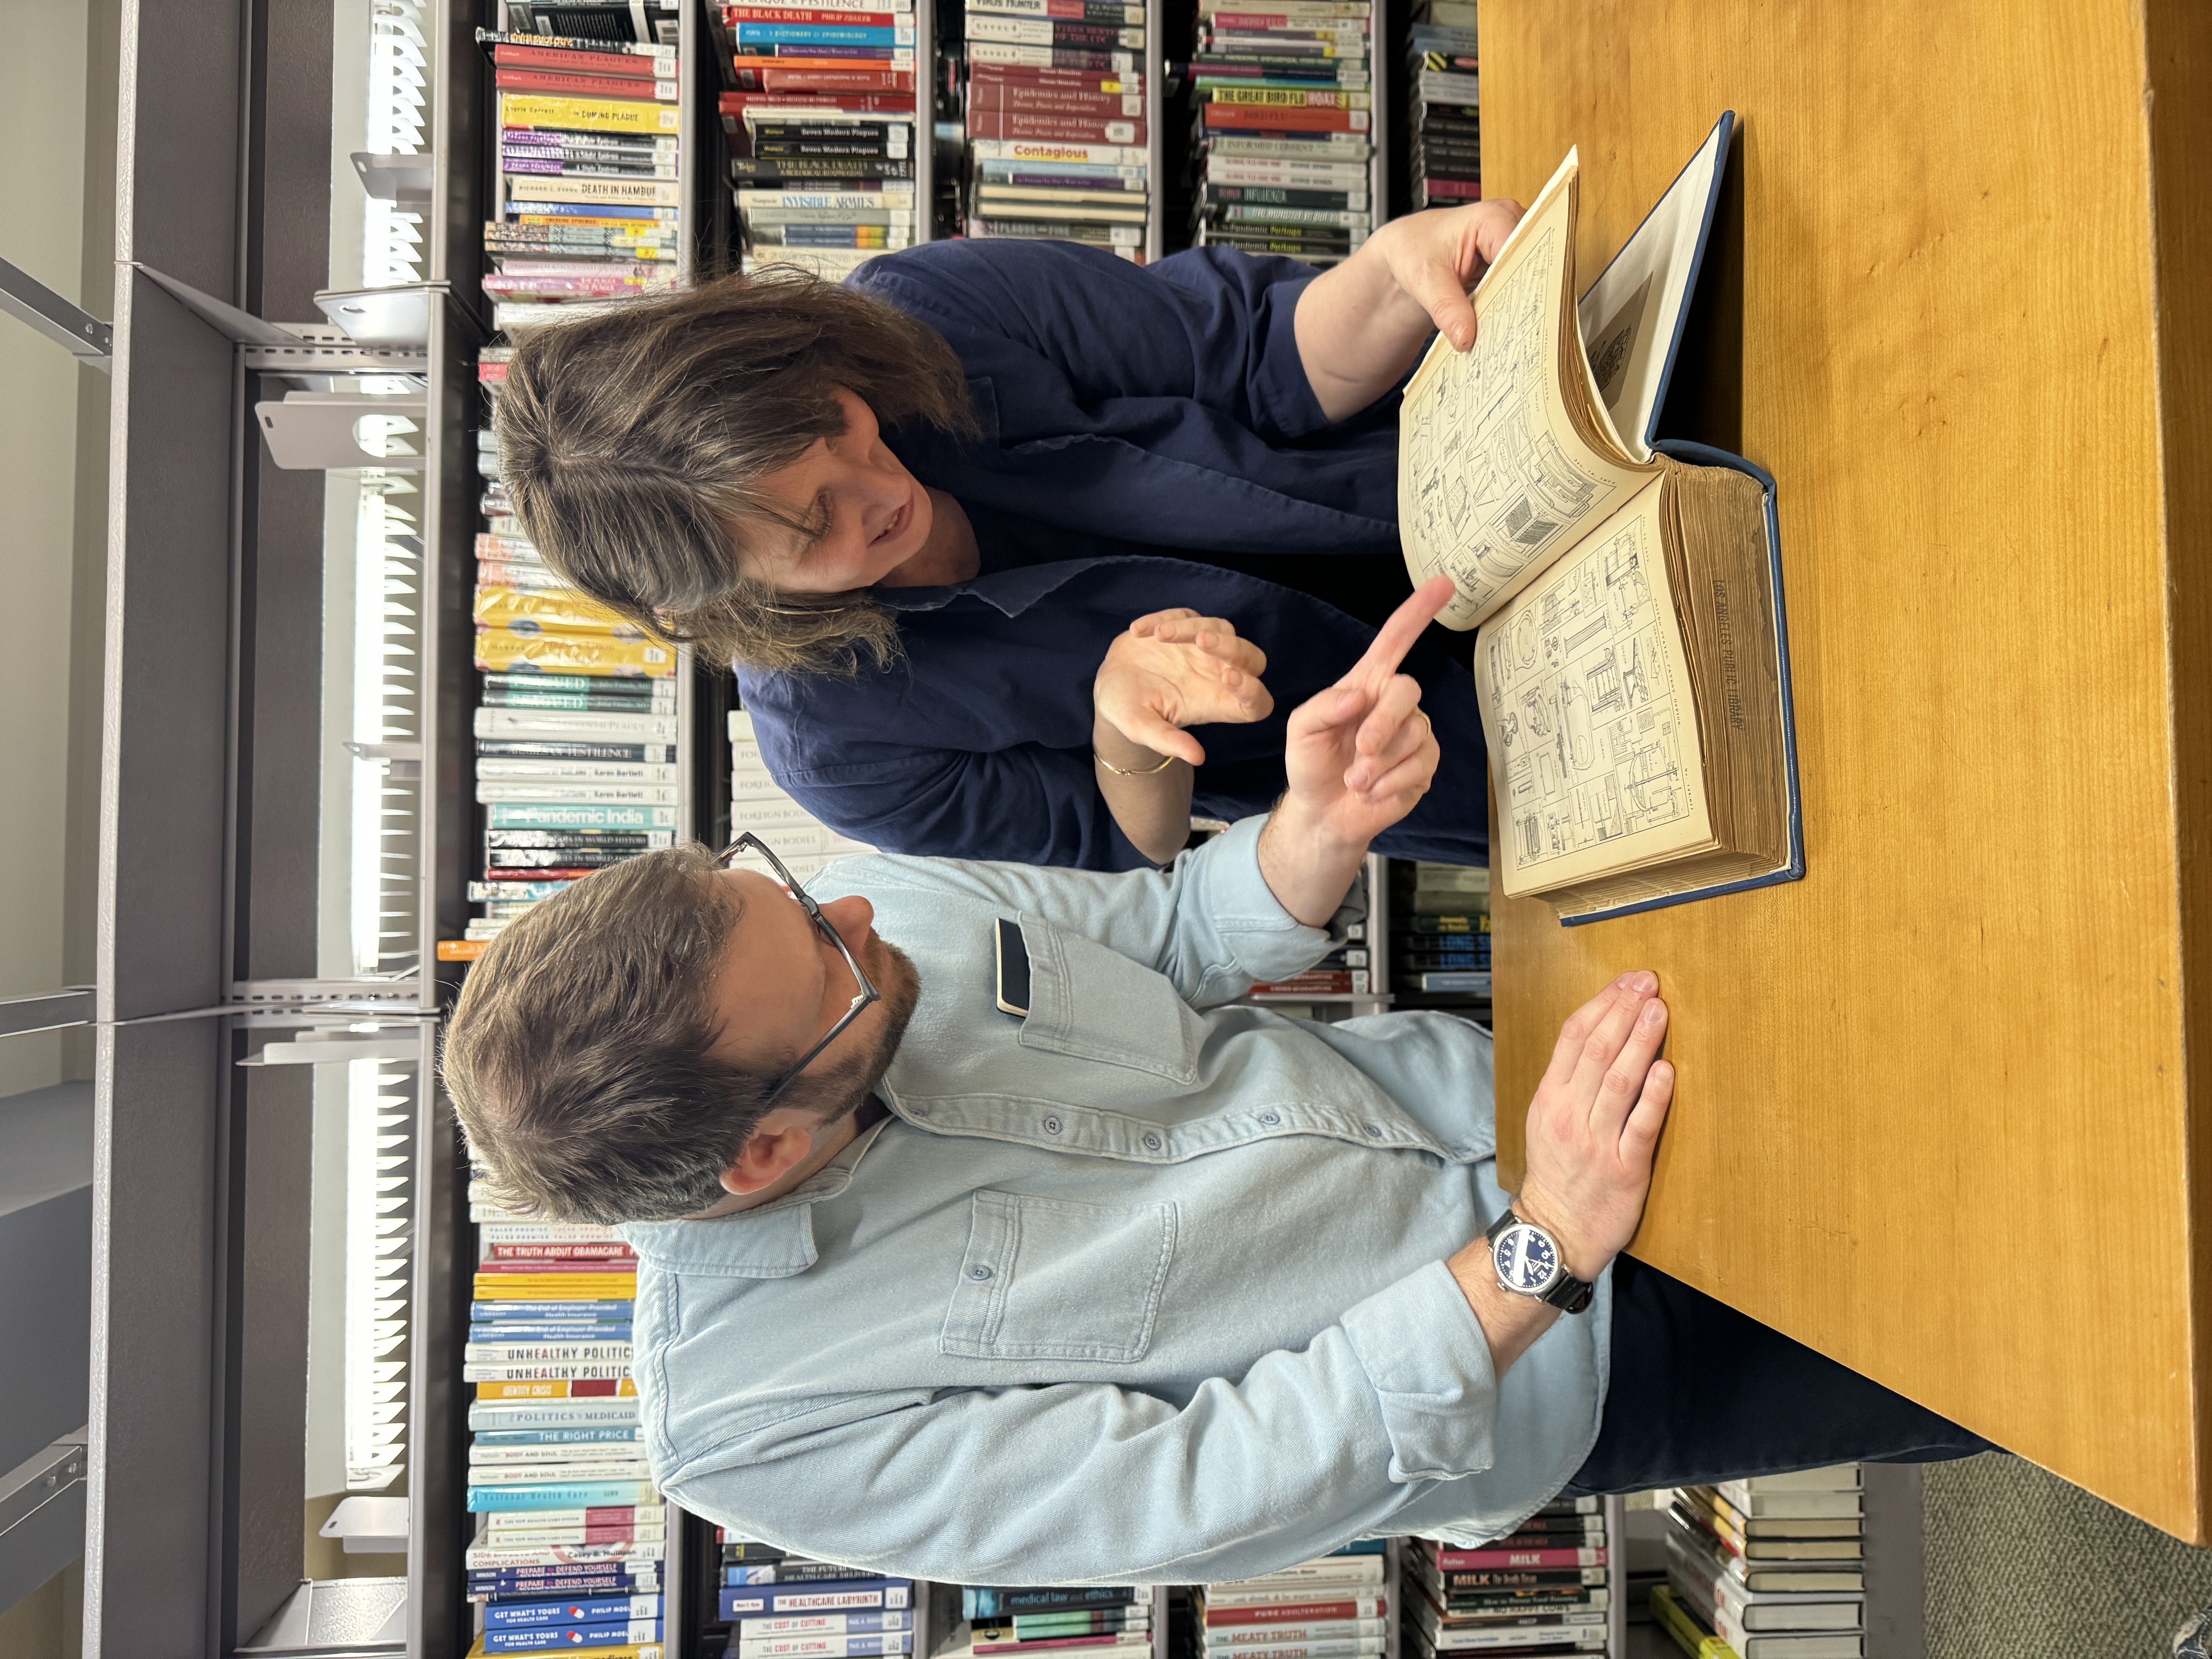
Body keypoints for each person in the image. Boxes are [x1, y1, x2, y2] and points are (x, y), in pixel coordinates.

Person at [441, 586, 1989, 1583]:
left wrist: (1314, 827)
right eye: (832, 972)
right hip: (1559, 1356)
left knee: (1994, 1123)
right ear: (764, 1154)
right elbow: (1201, 1485)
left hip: (1534, 1096)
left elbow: (1173, 938)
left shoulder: (855, 922)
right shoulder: (751, 1425)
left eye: (784, 889)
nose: (859, 919)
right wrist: (1543, 1248)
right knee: (2015, 1350)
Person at [492, 207, 1531, 870]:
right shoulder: (841, 750)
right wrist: (1125, 732)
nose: (878, 487)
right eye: (815, 527)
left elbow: (1258, 354)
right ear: (717, 602)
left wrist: (1394, 275)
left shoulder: (923, 311)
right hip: (1427, 749)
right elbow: (1136, 863)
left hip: (1473, 496)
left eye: (831, 422)